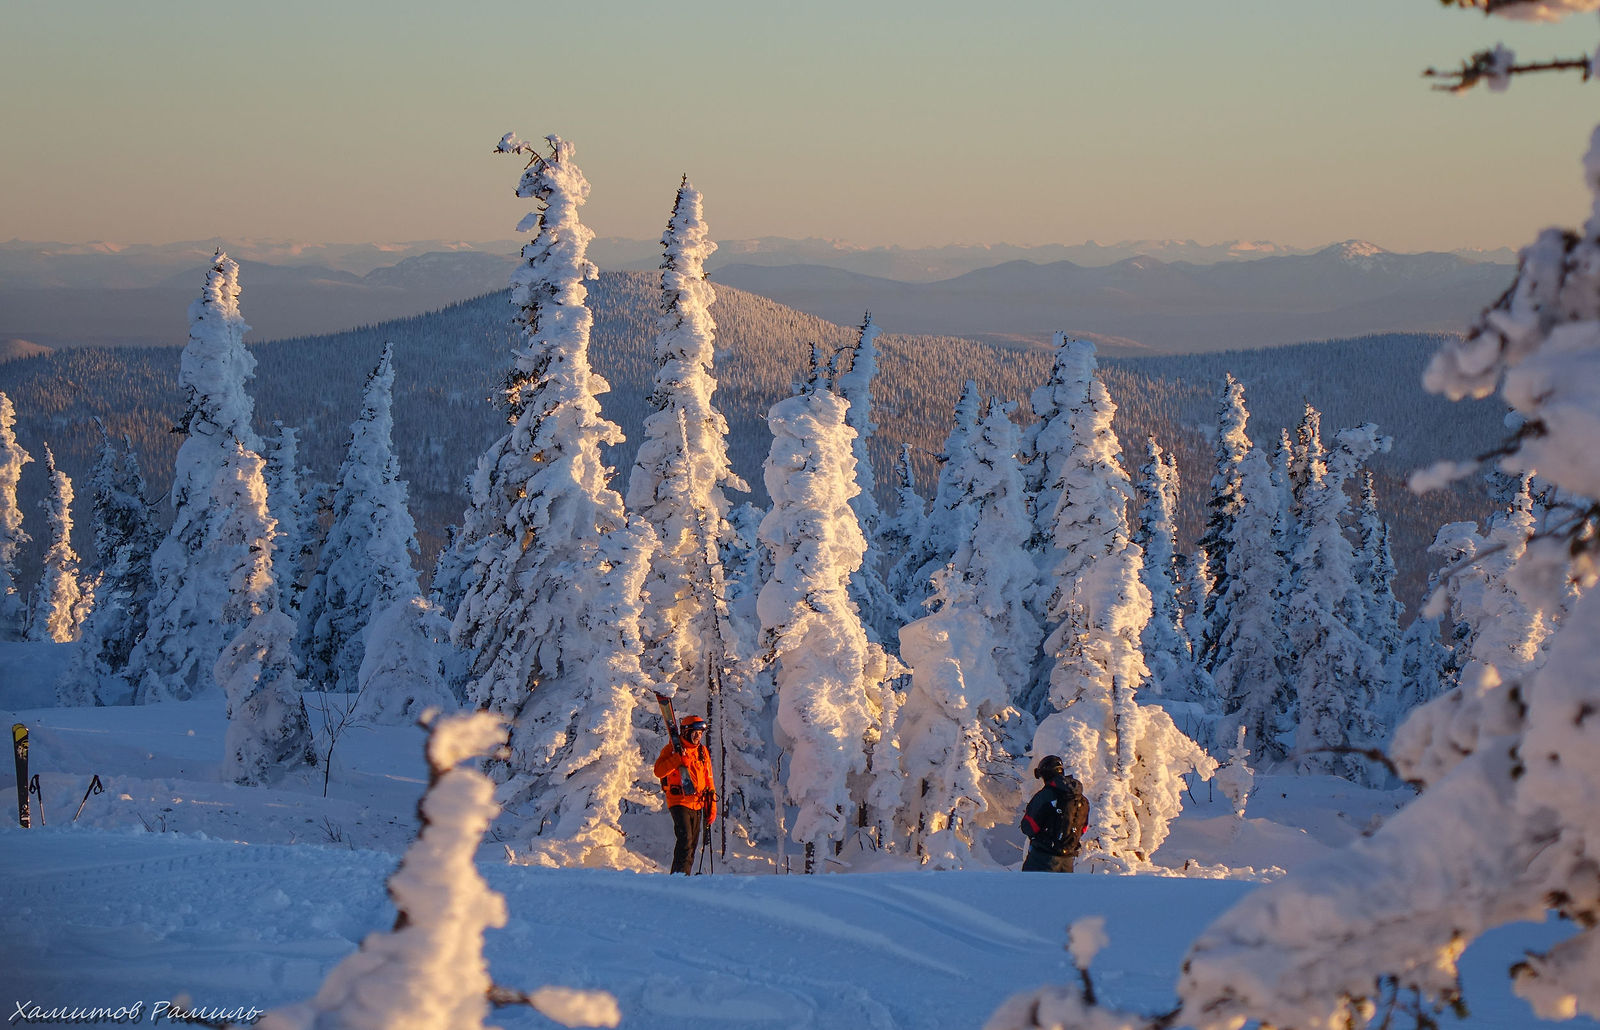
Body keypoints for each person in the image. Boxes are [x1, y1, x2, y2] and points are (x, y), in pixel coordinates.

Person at [654, 714, 717, 874]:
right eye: (695, 732)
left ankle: (684, 876)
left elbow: (709, 778)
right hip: (679, 801)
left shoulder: (702, 751)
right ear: (686, 732)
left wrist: (712, 805)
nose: (698, 736)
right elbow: (659, 771)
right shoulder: (672, 749)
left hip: (698, 802)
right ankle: (678, 877)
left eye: (700, 733)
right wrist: (677, 760)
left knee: (692, 845)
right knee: (685, 840)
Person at [1019, 754, 1089, 872]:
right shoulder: (1081, 799)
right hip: (1068, 860)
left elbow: (1029, 827)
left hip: (1041, 859)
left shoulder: (1045, 795)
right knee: (1061, 890)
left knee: (1030, 889)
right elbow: (1083, 828)